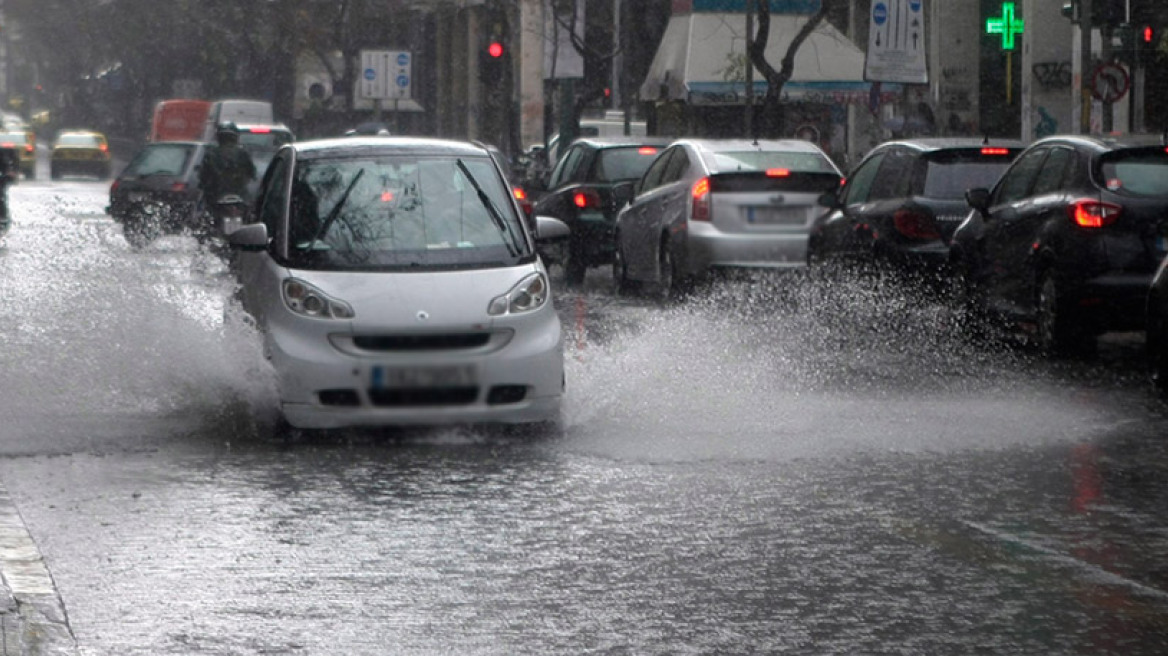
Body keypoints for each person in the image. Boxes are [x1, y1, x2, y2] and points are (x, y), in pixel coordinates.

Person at [199, 122, 257, 205]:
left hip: (218, 193)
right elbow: (252, 172)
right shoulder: (242, 153)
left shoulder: (211, 154)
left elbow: (203, 176)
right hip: (226, 193)